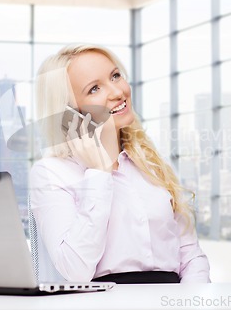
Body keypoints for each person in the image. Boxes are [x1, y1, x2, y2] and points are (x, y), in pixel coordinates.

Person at [29, 43, 211, 284]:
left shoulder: (151, 165)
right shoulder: (52, 172)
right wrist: (98, 173)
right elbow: (75, 270)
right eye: (94, 88)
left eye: (115, 76)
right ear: (70, 113)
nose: (117, 91)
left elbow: (191, 257)